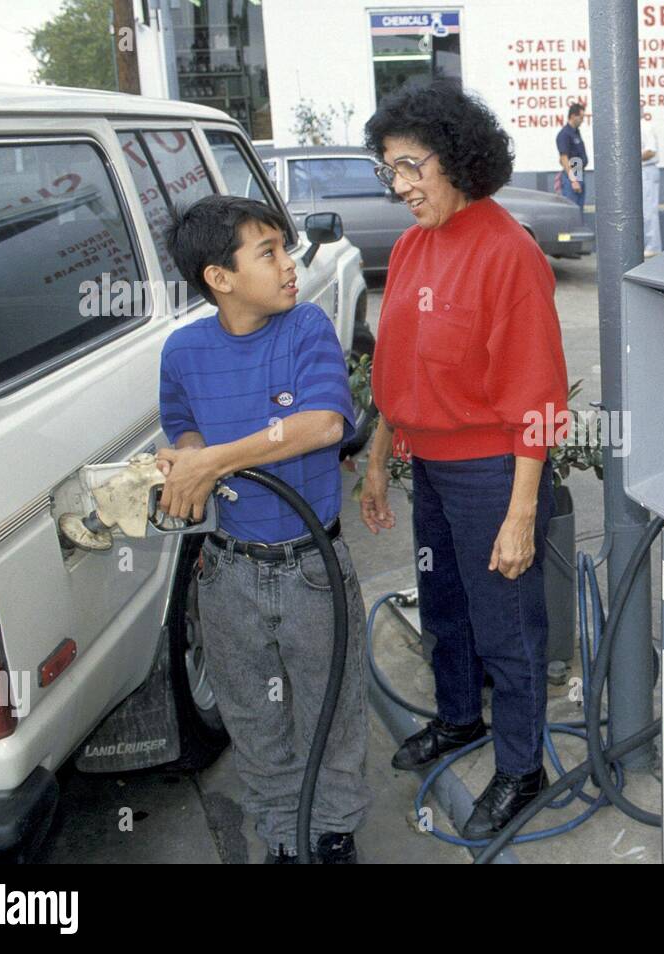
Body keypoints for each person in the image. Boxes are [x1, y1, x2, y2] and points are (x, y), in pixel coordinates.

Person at [360, 80, 570, 839]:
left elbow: (540, 399)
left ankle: (522, 767)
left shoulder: (507, 252)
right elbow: (398, 369)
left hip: (493, 473)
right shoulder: (416, 245)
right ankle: (458, 722)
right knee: (444, 609)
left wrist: (519, 514)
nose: (402, 187)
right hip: (432, 469)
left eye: (413, 166)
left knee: (507, 630)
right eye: (391, 171)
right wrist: (381, 457)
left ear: (456, 158)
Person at [157, 195, 368, 864]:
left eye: (286, 248)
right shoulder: (184, 351)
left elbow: (324, 425)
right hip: (227, 571)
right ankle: (281, 835)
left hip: (313, 568)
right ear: (219, 278)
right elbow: (180, 421)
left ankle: (332, 833)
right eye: (268, 252)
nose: (289, 265)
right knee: (252, 716)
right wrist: (183, 456)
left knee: (330, 711)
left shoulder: (305, 328)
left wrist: (212, 460)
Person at [556, 101, 588, 216]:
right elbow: (564, 158)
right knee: (571, 213)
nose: (582, 120)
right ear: (573, 116)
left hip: (578, 171)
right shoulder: (565, 134)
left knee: (579, 212)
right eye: (581, 117)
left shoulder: (576, 133)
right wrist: (573, 180)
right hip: (572, 175)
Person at [641, 117, 662, 255]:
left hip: (647, 170)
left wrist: (630, 157)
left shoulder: (645, 127)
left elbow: (650, 151)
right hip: (643, 171)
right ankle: (649, 245)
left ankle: (653, 246)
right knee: (644, 210)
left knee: (649, 210)